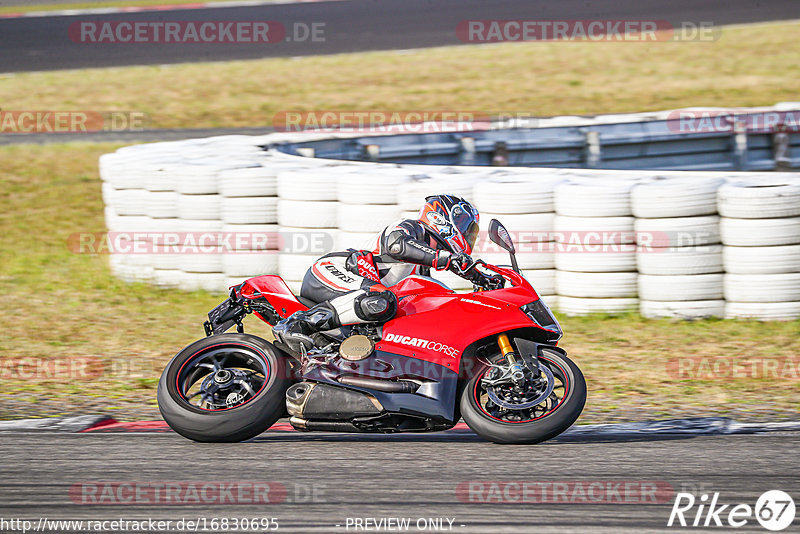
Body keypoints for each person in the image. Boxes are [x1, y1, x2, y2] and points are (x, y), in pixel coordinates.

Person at [273, 194, 484, 352]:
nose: (468, 235)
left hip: (357, 293)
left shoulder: (423, 269)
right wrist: (448, 259)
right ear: (442, 219)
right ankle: (297, 323)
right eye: (466, 227)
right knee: (383, 298)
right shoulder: (409, 228)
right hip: (334, 270)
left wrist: (481, 281)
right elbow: (397, 246)